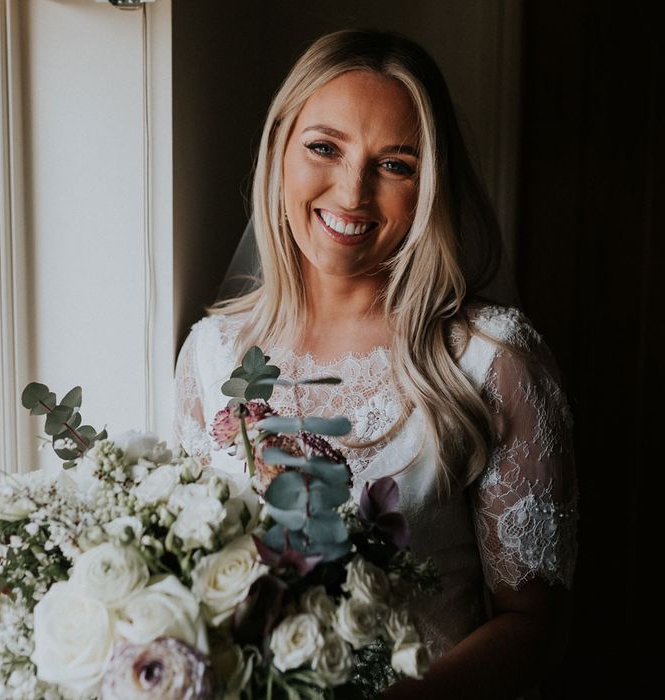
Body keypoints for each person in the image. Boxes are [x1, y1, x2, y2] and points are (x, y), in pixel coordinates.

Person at [174, 29, 578, 699]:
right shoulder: (209, 355)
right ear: (279, 150)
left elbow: (533, 626)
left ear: (429, 188)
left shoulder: (491, 360)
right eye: (324, 148)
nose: (353, 191)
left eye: (395, 164)